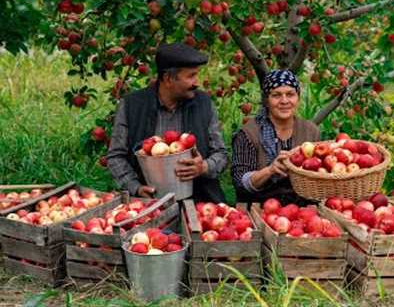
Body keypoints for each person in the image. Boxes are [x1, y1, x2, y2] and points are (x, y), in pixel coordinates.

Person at [107, 43, 228, 202]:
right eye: (191, 76)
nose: (196, 82)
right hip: (149, 203)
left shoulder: (204, 104)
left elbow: (221, 153)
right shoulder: (132, 106)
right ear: (168, 79)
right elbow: (116, 156)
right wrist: (135, 187)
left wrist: (204, 167)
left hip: (199, 200)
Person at [231, 69, 320, 205]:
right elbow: (240, 183)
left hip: (303, 210)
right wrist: (270, 170)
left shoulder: (310, 131)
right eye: (276, 95)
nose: (284, 101)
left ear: (298, 99)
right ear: (266, 101)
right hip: (260, 209)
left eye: (290, 94)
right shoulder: (249, 133)